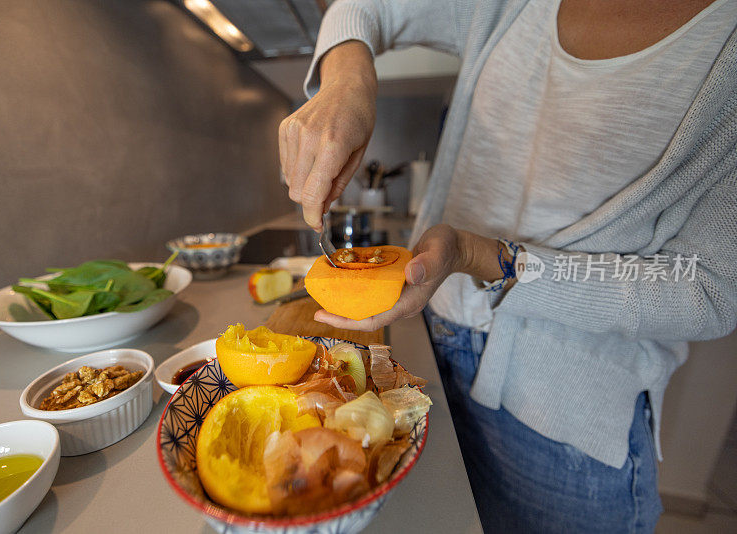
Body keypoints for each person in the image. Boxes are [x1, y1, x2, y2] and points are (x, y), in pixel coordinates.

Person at [278, 0, 737, 532]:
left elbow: (708, 291)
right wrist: (347, 82)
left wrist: (482, 257)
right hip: (431, 357)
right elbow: (361, 7)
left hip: (566, 416)